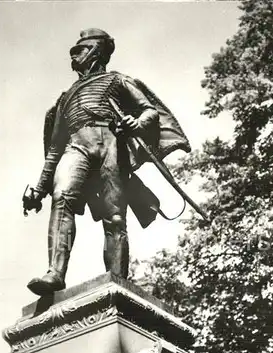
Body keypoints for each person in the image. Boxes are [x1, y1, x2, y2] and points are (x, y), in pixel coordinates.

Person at [24, 28, 190, 296]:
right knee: (62, 196)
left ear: (95, 51)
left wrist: (136, 122)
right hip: (75, 146)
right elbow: (55, 148)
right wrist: (40, 188)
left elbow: (150, 111)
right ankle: (55, 273)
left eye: (78, 51)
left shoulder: (117, 81)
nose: (73, 58)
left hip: (111, 146)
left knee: (114, 218)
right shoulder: (65, 98)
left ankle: (117, 281)